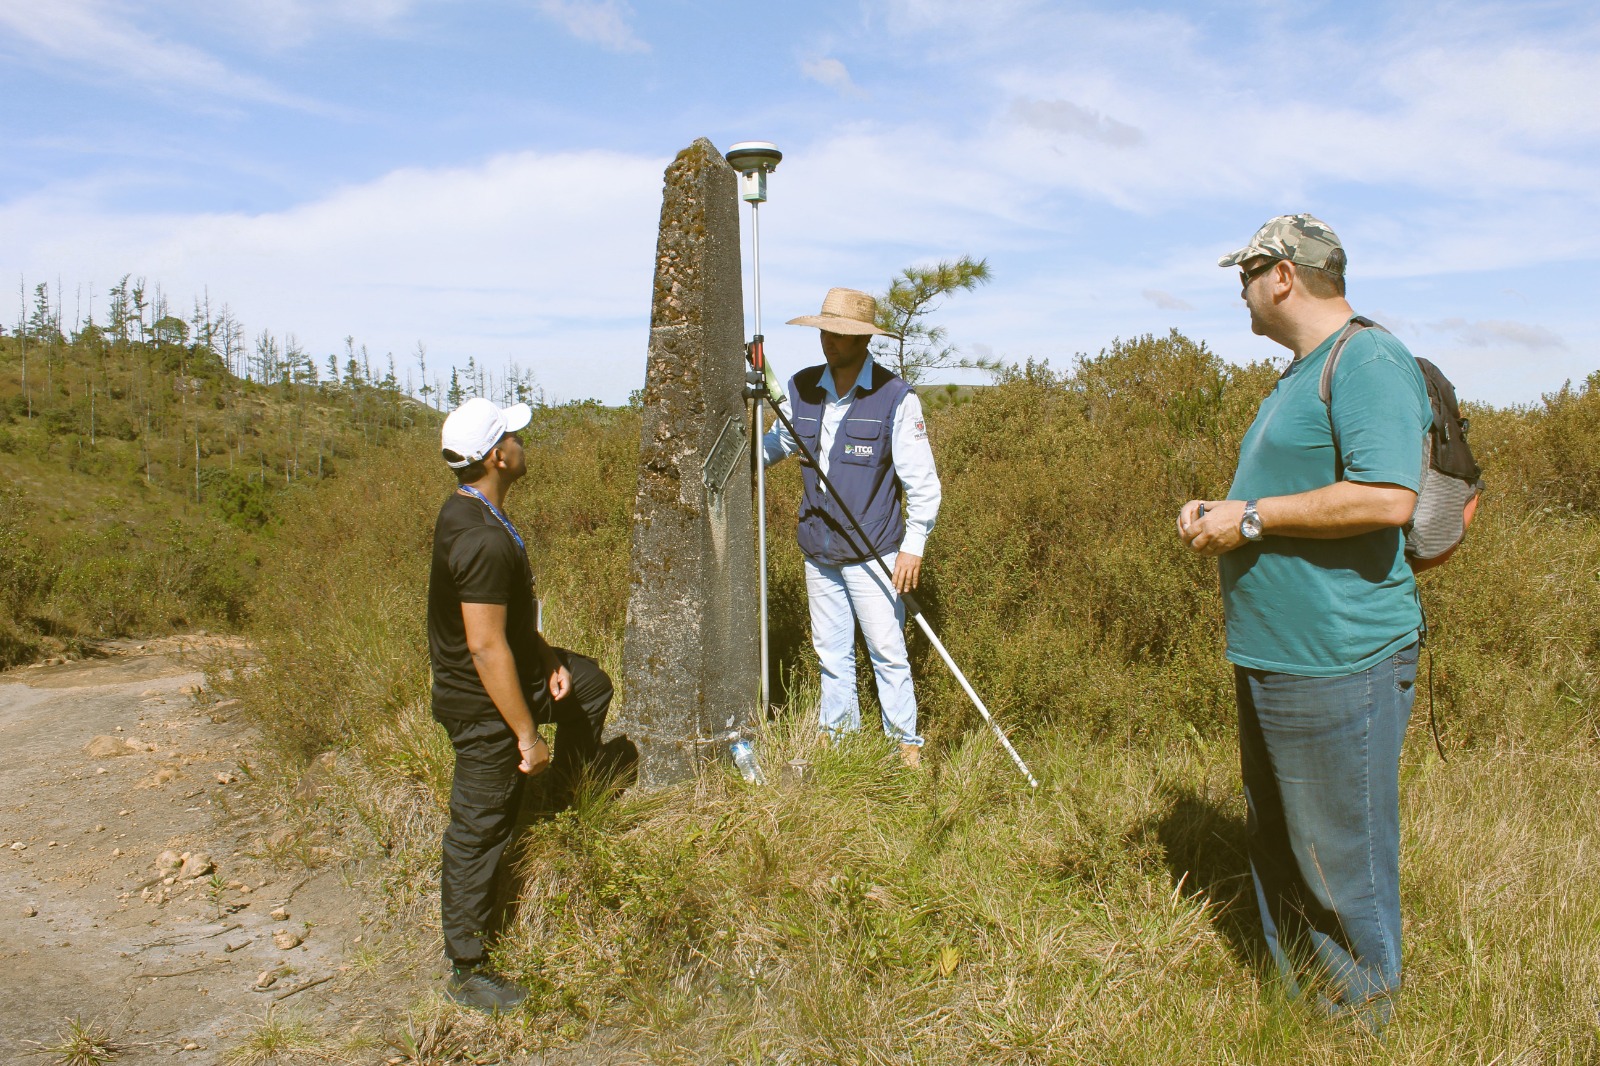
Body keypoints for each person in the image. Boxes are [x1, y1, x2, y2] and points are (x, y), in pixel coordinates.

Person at [1177, 214, 1431, 1031]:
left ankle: (1363, 1024)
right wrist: (1225, 510)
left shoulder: (1369, 359)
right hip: (1278, 652)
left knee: (1339, 859)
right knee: (1283, 846)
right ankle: (1298, 1016)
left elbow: (1387, 498)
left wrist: (1247, 519)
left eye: (1245, 273)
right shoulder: (1300, 372)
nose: (1240, 290)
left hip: (1339, 657)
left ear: (1282, 274)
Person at [427, 396, 614, 1012]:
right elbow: (484, 648)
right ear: (495, 457)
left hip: (510, 676)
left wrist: (547, 658)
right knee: (480, 825)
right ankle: (466, 965)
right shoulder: (480, 537)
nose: (520, 443)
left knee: (588, 683)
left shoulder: (474, 511)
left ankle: (564, 798)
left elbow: (507, 624)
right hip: (483, 705)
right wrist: (527, 736)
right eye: (512, 436)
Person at [763, 287, 942, 768]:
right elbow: (776, 445)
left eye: (841, 334)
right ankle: (838, 739)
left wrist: (914, 546)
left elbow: (922, 483)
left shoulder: (896, 398)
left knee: (887, 651)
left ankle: (906, 745)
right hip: (818, 550)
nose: (830, 341)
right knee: (831, 653)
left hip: (876, 551)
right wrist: (744, 457)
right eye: (825, 331)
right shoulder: (800, 388)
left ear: (864, 341)